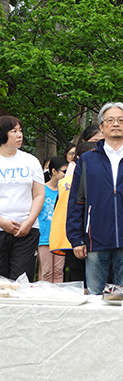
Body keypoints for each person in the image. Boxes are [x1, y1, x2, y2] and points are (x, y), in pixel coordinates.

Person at [66, 103, 123, 294]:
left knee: (122, 298)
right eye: (110, 120)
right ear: (101, 127)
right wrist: (76, 238)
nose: (116, 123)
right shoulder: (87, 160)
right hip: (94, 241)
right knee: (95, 298)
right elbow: (76, 201)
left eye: (121, 120)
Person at [0, 116, 45, 281]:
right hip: (0, 227)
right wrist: (2, 222)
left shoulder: (31, 161)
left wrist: (28, 222)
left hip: (26, 230)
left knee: (22, 281)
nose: (20, 135)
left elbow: (39, 194)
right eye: (14, 131)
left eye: (20, 131)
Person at [49, 142, 96, 286]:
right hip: (81, 240)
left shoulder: (64, 182)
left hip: (72, 239)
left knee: (78, 283)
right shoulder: (67, 183)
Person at [38, 156, 68, 283]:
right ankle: (44, 300)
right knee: (46, 271)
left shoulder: (66, 190)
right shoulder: (41, 190)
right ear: (54, 171)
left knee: (58, 271)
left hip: (61, 237)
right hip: (44, 236)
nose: (66, 175)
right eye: (64, 171)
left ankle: (58, 301)